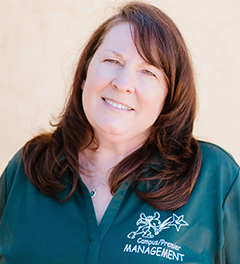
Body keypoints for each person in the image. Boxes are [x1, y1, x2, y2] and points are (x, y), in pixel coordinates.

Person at [0, 1, 239, 263]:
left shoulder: (214, 178)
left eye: (148, 72)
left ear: (169, 96)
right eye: (112, 60)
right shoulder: (28, 168)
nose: (123, 84)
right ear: (84, 75)